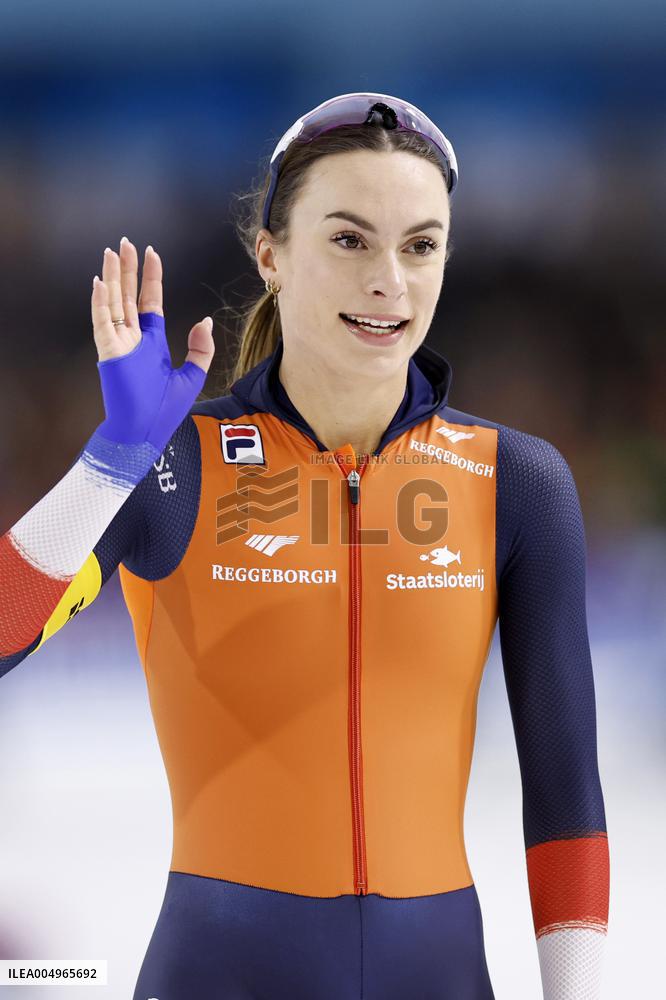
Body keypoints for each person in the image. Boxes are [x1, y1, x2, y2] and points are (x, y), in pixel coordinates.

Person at [0, 93, 609, 1000]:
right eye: (350, 239)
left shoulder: (515, 481)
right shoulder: (177, 466)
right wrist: (114, 459)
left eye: (421, 245)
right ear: (271, 256)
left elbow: (565, 793)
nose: (389, 281)